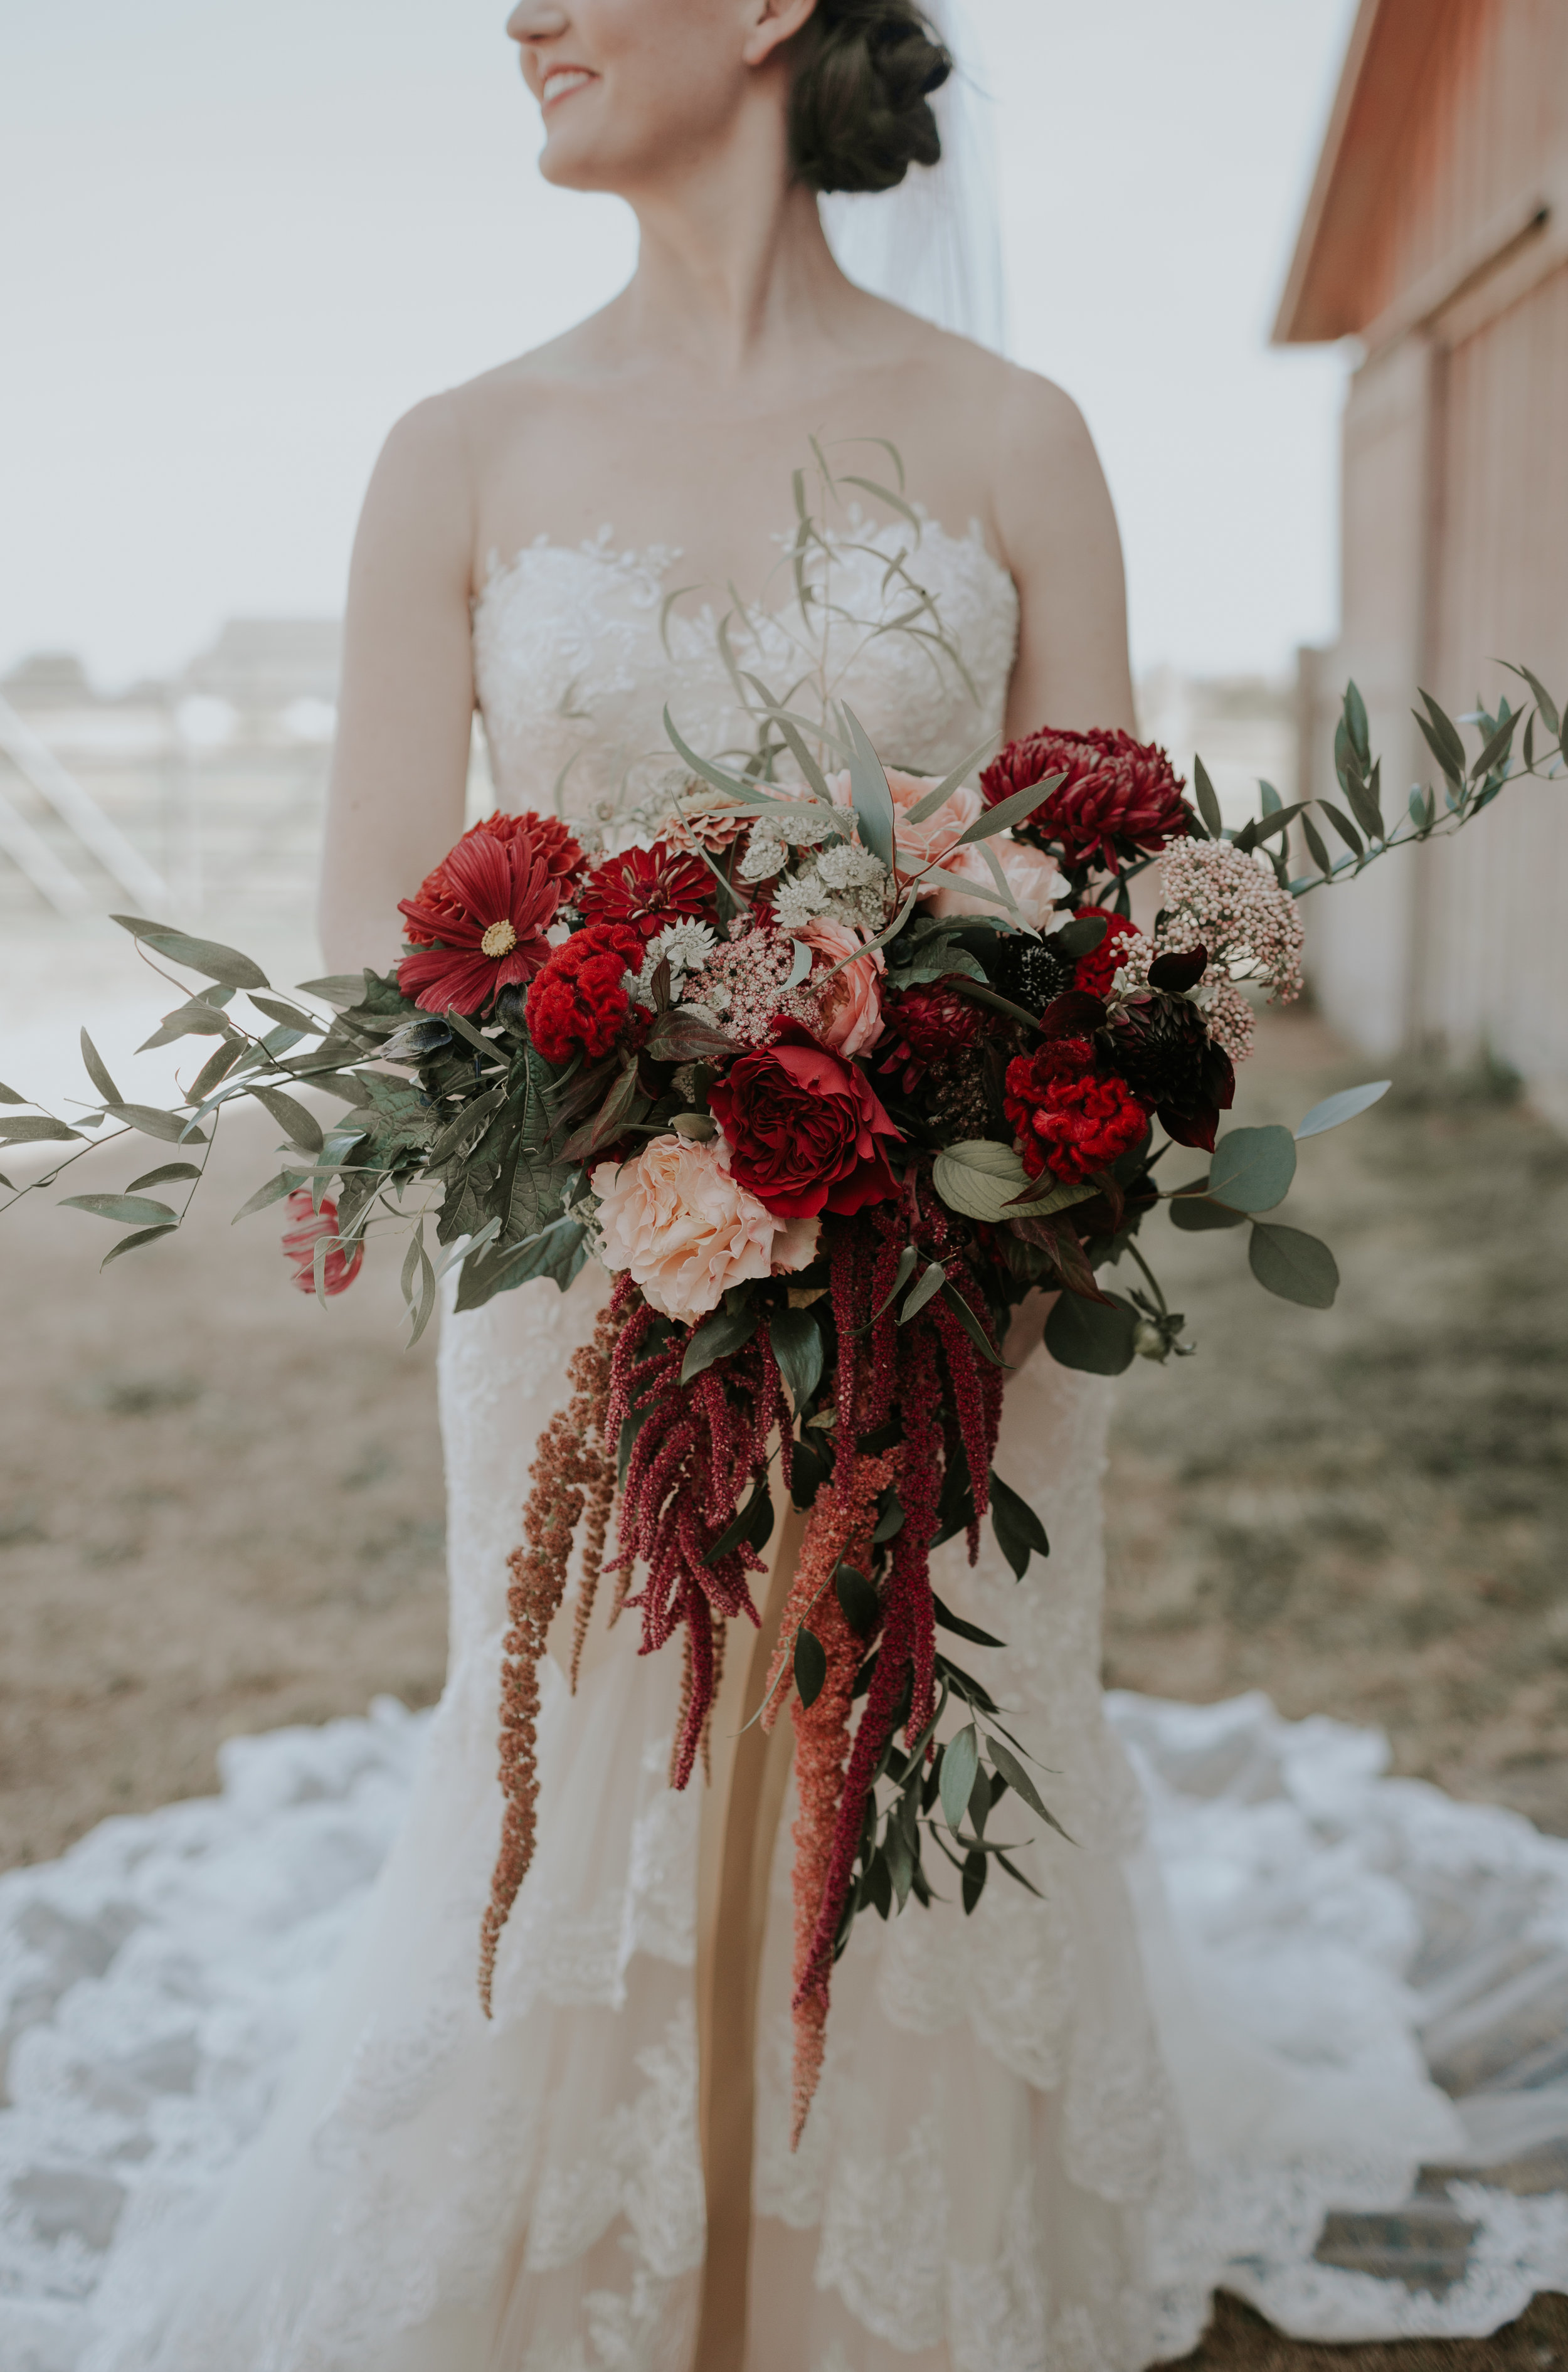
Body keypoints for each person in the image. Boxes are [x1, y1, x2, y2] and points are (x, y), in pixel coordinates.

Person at [45, 4, 1568, 2368]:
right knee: (597, 1739)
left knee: (917, 1724)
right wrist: (627, 1088)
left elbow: (1122, 888)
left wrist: (1006, 1112)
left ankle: (889, 2264)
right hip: (580, 1274)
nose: (519, 17)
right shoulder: (455, 450)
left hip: (957, 1281)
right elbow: (377, 934)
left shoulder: (1011, 438)